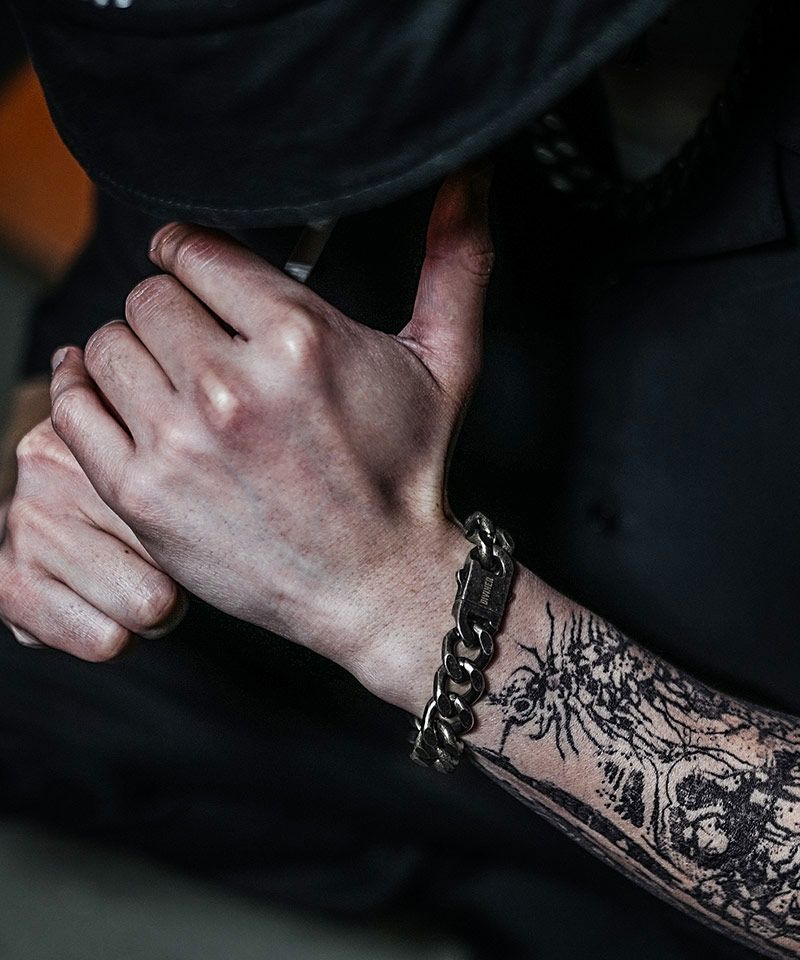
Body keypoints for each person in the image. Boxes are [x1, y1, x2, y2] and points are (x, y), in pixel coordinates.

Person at [0, 0, 797, 956]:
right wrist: (71, 468)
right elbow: (82, 344)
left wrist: (403, 601)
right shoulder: (265, 57)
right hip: (389, 734)